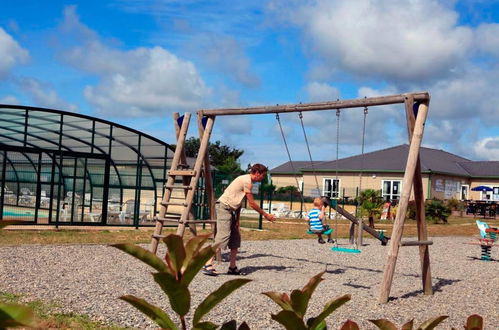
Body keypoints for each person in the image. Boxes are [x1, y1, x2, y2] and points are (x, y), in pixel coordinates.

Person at [203, 163, 276, 276]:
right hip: (224, 208)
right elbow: (251, 203)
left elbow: (239, 202)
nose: (263, 178)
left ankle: (232, 267)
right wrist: (266, 215)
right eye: (263, 175)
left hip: (231, 210)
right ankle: (207, 263)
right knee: (223, 237)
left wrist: (237, 220)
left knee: (235, 239)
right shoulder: (246, 181)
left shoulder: (247, 181)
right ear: (257, 173)